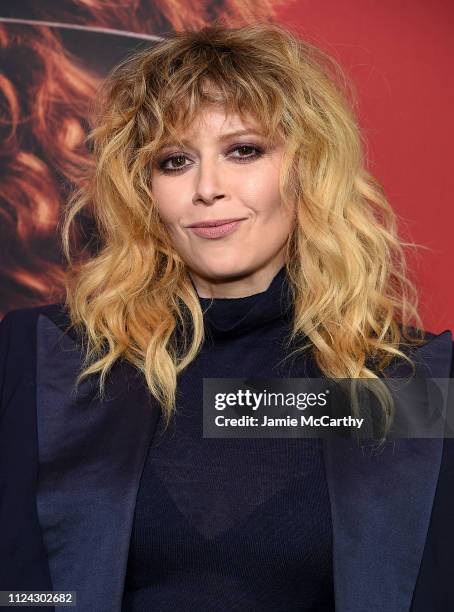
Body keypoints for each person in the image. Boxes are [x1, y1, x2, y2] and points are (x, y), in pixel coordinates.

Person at [0, 22, 453, 612]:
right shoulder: (46, 359)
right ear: (144, 189)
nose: (207, 187)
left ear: (307, 168)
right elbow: (18, 592)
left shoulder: (408, 388)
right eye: (174, 160)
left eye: (244, 150)